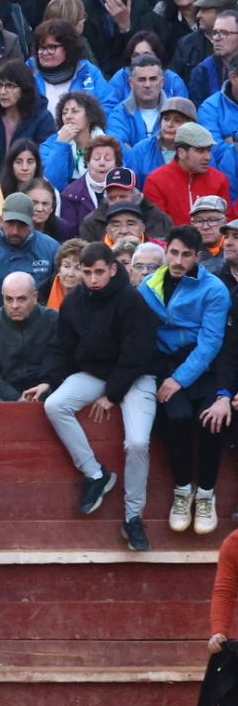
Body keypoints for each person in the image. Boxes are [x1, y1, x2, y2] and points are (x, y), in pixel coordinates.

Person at [24, 241, 159, 550]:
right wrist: (48, 381)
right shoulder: (74, 302)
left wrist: (113, 394)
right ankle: (95, 474)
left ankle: (133, 517)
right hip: (96, 374)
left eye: (99, 272)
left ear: (113, 269)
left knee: (137, 443)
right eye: (87, 272)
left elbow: (137, 353)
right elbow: (62, 347)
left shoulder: (131, 300)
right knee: (55, 404)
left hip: (136, 377)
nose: (93, 279)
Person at [139, 226, 231, 535]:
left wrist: (178, 379)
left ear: (197, 257)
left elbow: (211, 342)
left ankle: (205, 493)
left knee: (212, 420)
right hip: (164, 364)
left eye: (186, 255)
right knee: (175, 417)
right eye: (174, 253)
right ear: (166, 251)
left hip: (203, 368)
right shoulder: (148, 286)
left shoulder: (214, 289)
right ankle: (182, 489)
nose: (178, 261)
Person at [0, 273, 58, 401]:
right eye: (9, 299)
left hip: (47, 391)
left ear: (35, 297)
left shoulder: (54, 320)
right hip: (3, 394)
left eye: (21, 299)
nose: (14, 306)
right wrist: (15, 397)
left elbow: (60, 361)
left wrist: (48, 384)